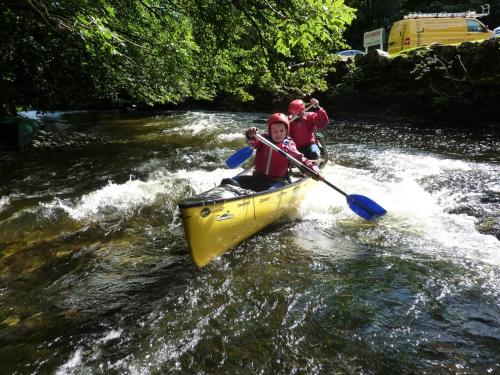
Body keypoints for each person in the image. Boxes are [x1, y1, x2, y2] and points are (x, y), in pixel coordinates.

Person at [221, 113, 321, 192]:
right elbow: (252, 143)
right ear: (270, 131)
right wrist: (250, 134)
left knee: (267, 192)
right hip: (257, 178)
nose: (278, 134)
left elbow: (301, 159)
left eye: (282, 131)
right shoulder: (262, 139)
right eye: (275, 131)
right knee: (228, 182)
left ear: (287, 131)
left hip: (277, 182)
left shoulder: (288, 144)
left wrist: (315, 170)